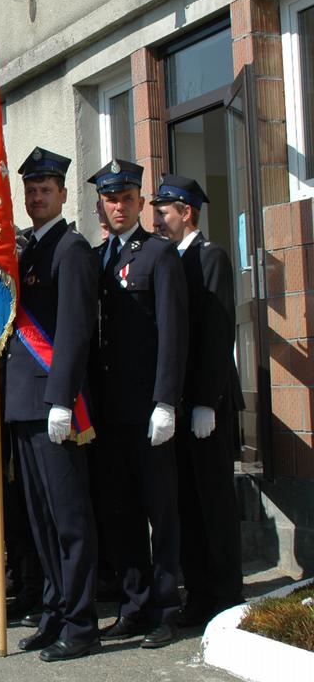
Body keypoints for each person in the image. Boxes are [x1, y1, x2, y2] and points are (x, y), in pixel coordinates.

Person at [0, 148, 101, 661]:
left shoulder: (71, 250)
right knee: (41, 521)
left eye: (45, 190)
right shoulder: (28, 251)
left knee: (69, 520)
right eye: (30, 191)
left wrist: (62, 400)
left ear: (62, 194)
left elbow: (74, 330)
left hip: (54, 406)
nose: (36, 198)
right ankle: (56, 611)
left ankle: (82, 623)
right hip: (23, 405)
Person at [89, 158, 188, 650]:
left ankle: (166, 609)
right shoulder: (96, 258)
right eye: (111, 200)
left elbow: (173, 331)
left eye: (127, 199)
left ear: (141, 203)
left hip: (148, 410)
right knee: (120, 512)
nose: (119, 207)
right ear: (101, 207)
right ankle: (134, 605)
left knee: (160, 513)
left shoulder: (158, 254)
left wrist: (166, 401)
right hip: (108, 412)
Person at [151, 174, 244, 626]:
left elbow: (217, 332)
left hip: (208, 404)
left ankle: (226, 595)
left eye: (163, 212)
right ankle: (200, 594)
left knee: (214, 502)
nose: (157, 221)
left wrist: (207, 399)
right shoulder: (171, 259)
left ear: (186, 212)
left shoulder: (211, 257)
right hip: (180, 401)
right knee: (186, 501)